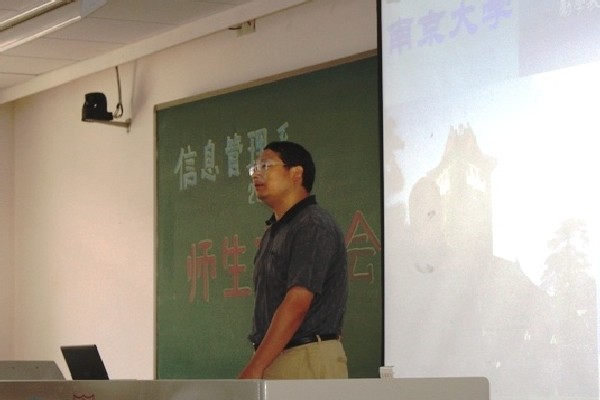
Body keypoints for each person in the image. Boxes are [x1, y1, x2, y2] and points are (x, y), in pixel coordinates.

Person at [238, 141, 349, 379]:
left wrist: (255, 367)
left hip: (306, 358)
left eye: (266, 166)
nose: (256, 174)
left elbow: (297, 303)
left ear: (296, 173)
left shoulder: (312, 225)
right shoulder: (274, 231)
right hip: (278, 357)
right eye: (254, 168)